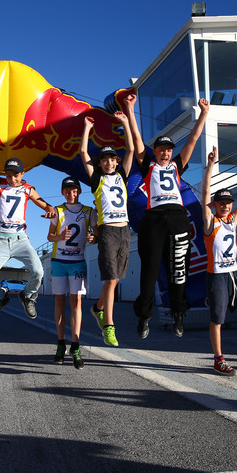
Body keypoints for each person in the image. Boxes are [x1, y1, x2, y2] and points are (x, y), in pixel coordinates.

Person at [132, 96, 210, 339]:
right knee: (150, 270)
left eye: (168, 150)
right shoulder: (148, 166)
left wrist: (204, 113)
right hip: (153, 219)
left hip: (177, 217)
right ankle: (144, 317)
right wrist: (130, 110)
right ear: (154, 151)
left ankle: (179, 313)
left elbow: (194, 139)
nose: (165, 153)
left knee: (178, 269)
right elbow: (136, 141)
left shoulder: (177, 165)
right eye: (161, 150)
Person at [0, 157, 56, 320]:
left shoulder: (28, 189)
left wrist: (50, 209)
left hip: (21, 240)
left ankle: (28, 296)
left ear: (22, 174)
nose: (12, 179)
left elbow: (45, 204)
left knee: (38, 271)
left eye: (16, 175)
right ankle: (1, 298)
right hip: (0, 241)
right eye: (9, 175)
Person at [79, 95, 135, 346]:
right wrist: (87, 129)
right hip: (108, 232)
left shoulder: (121, 176)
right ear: (100, 163)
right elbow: (82, 152)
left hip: (125, 231)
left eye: (113, 159)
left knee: (116, 279)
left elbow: (132, 149)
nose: (110, 162)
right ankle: (109, 326)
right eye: (105, 160)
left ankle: (98, 308)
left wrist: (126, 122)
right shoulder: (97, 180)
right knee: (110, 279)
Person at [201, 146, 237, 376]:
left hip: (234, 273)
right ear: (215, 205)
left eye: (228, 202)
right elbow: (204, 194)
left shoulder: (233, 219)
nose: (225, 205)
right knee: (218, 318)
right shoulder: (210, 222)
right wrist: (211, 165)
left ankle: (211, 299)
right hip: (217, 276)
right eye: (221, 202)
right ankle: (218, 359)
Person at [47, 176, 94, 369]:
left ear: (79, 192)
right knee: (60, 301)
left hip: (77, 262)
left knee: (76, 302)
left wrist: (93, 238)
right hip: (59, 261)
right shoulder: (57, 211)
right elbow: (50, 236)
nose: (71, 194)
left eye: (74, 190)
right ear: (62, 192)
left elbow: (95, 234)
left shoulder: (89, 211)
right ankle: (60, 344)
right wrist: (59, 236)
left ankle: (75, 346)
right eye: (67, 190)